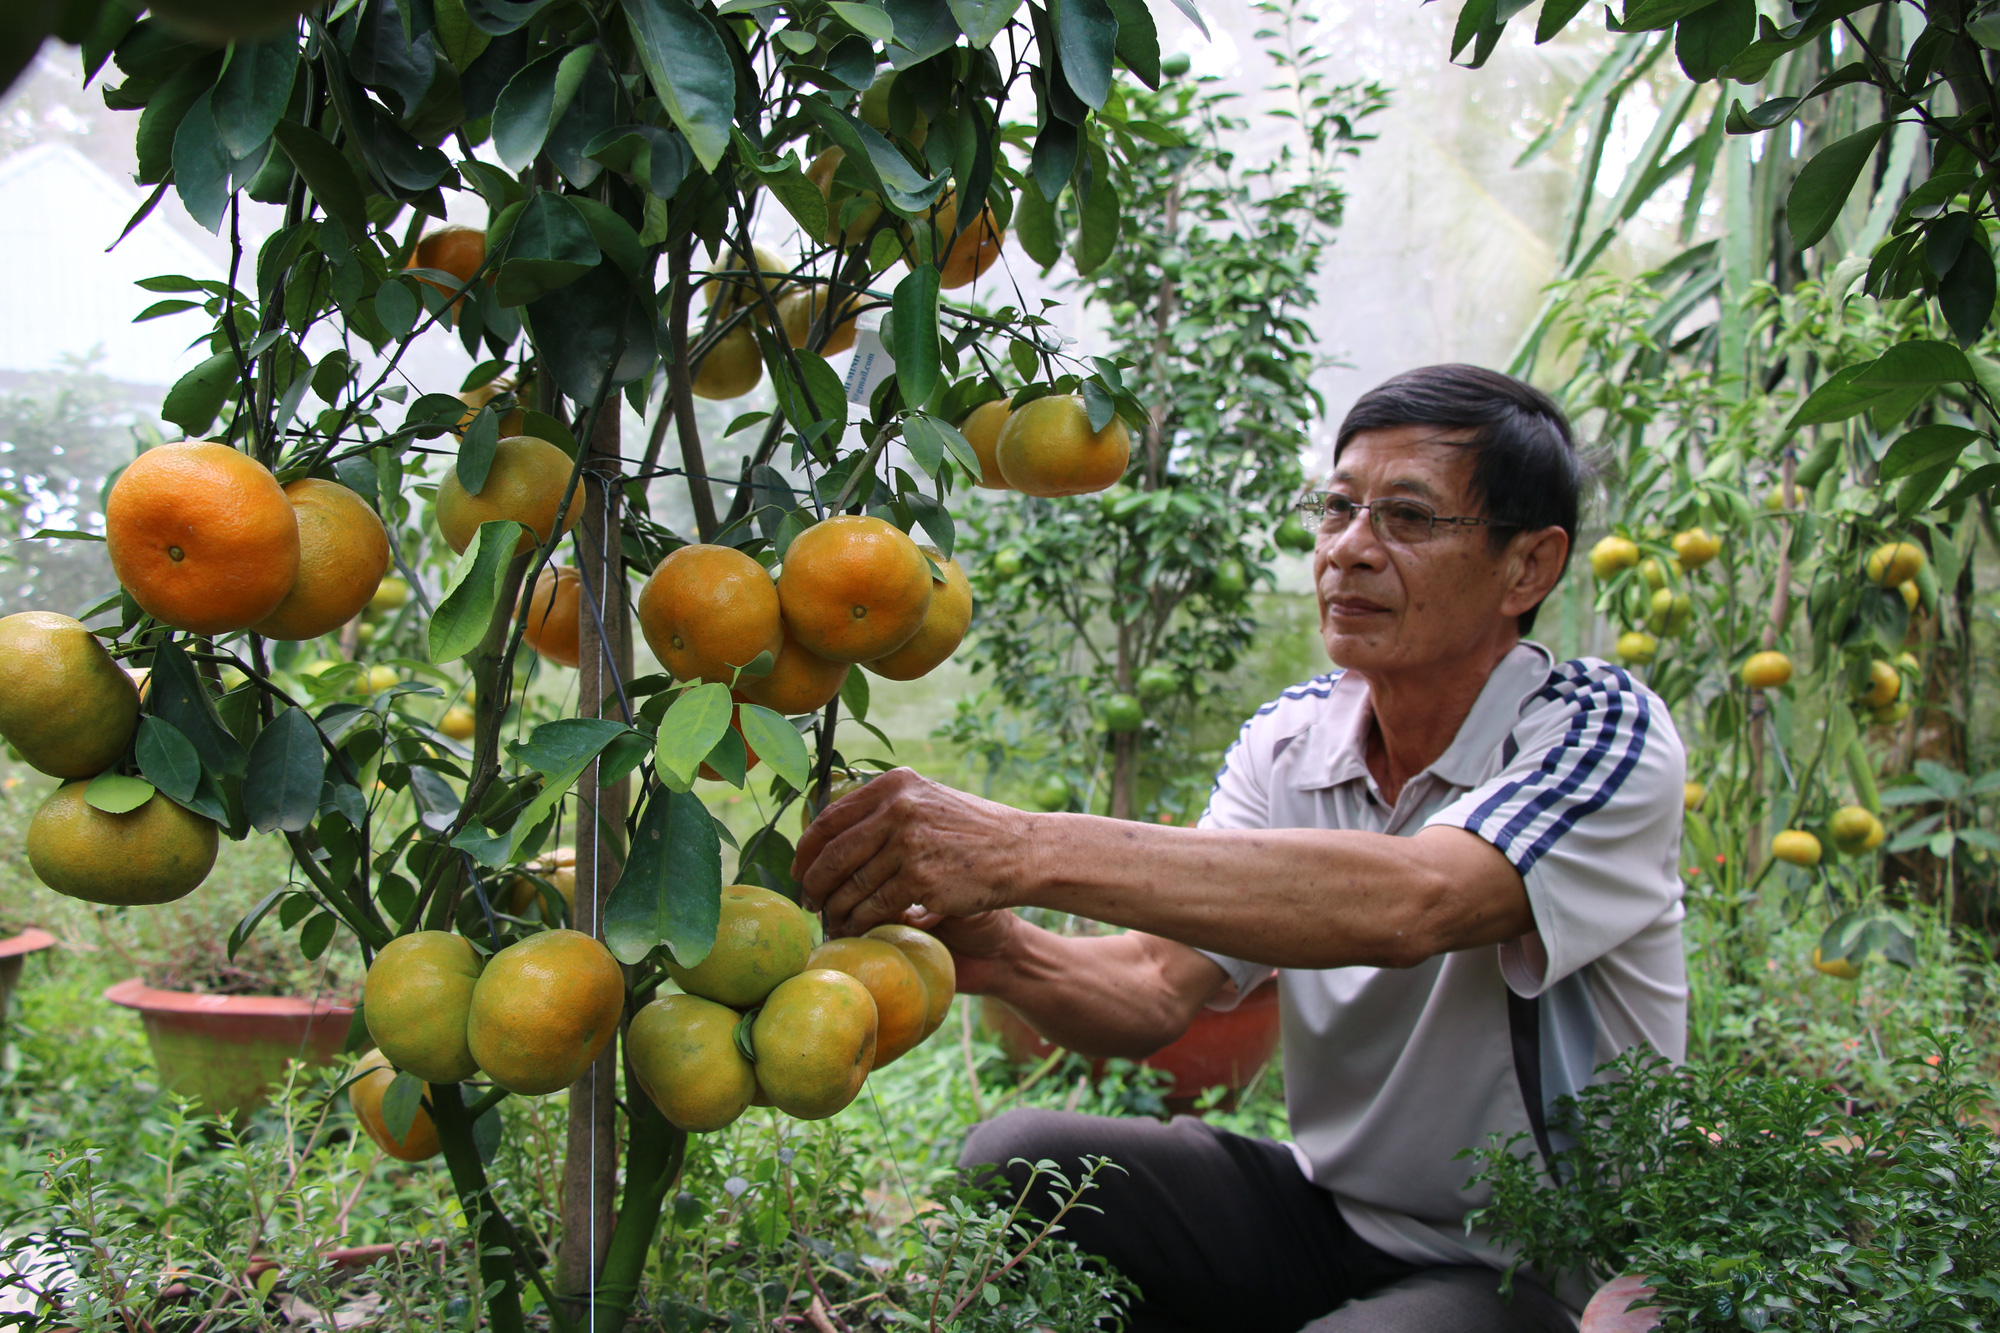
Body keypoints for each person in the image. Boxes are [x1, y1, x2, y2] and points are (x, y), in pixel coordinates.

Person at [793, 364, 1688, 1332]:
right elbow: (1150, 988)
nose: (1347, 551)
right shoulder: (1292, 738)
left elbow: (1419, 902)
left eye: (1407, 519)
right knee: (1018, 1158)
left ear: (1528, 566)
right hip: (1327, 1212)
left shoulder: (1593, 731)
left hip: (1526, 1264)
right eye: (1336, 508)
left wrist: (1018, 844)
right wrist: (1003, 952)